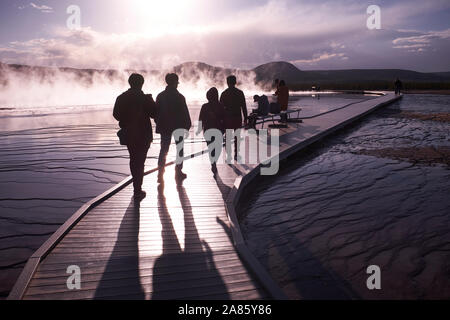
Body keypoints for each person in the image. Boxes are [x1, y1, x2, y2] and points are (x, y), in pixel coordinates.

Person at [113, 73, 157, 200]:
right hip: (144, 134)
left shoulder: (122, 97)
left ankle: (136, 188)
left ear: (130, 83)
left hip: (130, 133)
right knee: (141, 161)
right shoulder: (145, 98)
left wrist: (127, 118)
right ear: (141, 83)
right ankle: (138, 188)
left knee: (133, 159)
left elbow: (116, 114)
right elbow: (154, 114)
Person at [156, 73, 192, 183]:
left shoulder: (160, 96)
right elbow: (185, 113)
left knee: (163, 150)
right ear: (175, 82)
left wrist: (159, 122)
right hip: (178, 126)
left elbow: (155, 113)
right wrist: (187, 125)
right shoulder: (180, 97)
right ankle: (178, 172)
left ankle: (160, 174)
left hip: (164, 126)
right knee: (180, 149)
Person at [220, 75, 248, 161]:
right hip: (237, 117)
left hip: (228, 119)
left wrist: (220, 120)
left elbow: (220, 108)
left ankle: (229, 155)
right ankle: (236, 153)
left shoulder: (224, 94)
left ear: (227, 83)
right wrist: (245, 118)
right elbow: (243, 107)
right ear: (235, 82)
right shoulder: (240, 93)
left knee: (228, 137)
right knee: (237, 137)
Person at [199, 87, 226, 175]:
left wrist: (200, 129)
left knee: (211, 148)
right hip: (218, 129)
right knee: (217, 147)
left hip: (207, 130)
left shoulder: (204, 106)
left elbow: (200, 119)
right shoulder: (221, 106)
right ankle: (214, 162)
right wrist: (224, 128)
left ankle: (213, 163)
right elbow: (224, 118)